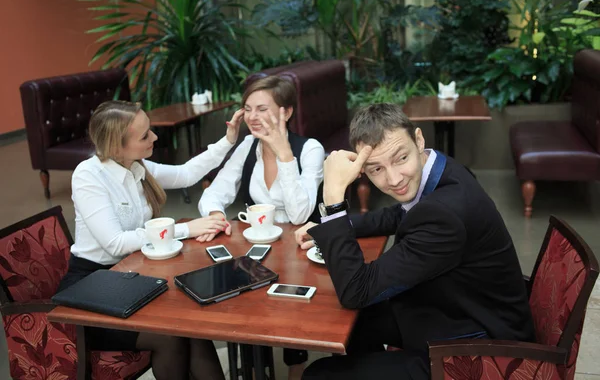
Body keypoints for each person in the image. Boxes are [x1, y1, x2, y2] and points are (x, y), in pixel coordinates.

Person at [294, 103, 535, 380]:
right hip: (459, 308)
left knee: (319, 374)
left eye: (400, 158)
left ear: (418, 140)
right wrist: (331, 225)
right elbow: (398, 213)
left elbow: (355, 291)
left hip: (481, 349)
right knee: (358, 322)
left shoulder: (445, 215)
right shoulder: (441, 170)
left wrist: (334, 198)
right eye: (376, 169)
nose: (394, 179)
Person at [58, 100, 245, 380]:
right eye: (145, 135)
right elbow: (116, 244)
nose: (155, 137)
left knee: (191, 325)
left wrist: (228, 141)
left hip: (132, 277)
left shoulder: (135, 166)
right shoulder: (89, 175)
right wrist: (185, 229)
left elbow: (185, 174)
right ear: (116, 145)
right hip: (94, 289)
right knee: (170, 336)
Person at [198, 76, 325, 379]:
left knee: (288, 304)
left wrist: (283, 155)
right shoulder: (247, 146)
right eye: (248, 109)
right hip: (258, 244)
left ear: (287, 112)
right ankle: (252, 364)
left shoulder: (310, 149)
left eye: (262, 109)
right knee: (239, 302)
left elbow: (299, 214)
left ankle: (296, 365)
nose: (252, 117)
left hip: (298, 247)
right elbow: (214, 193)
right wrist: (215, 214)